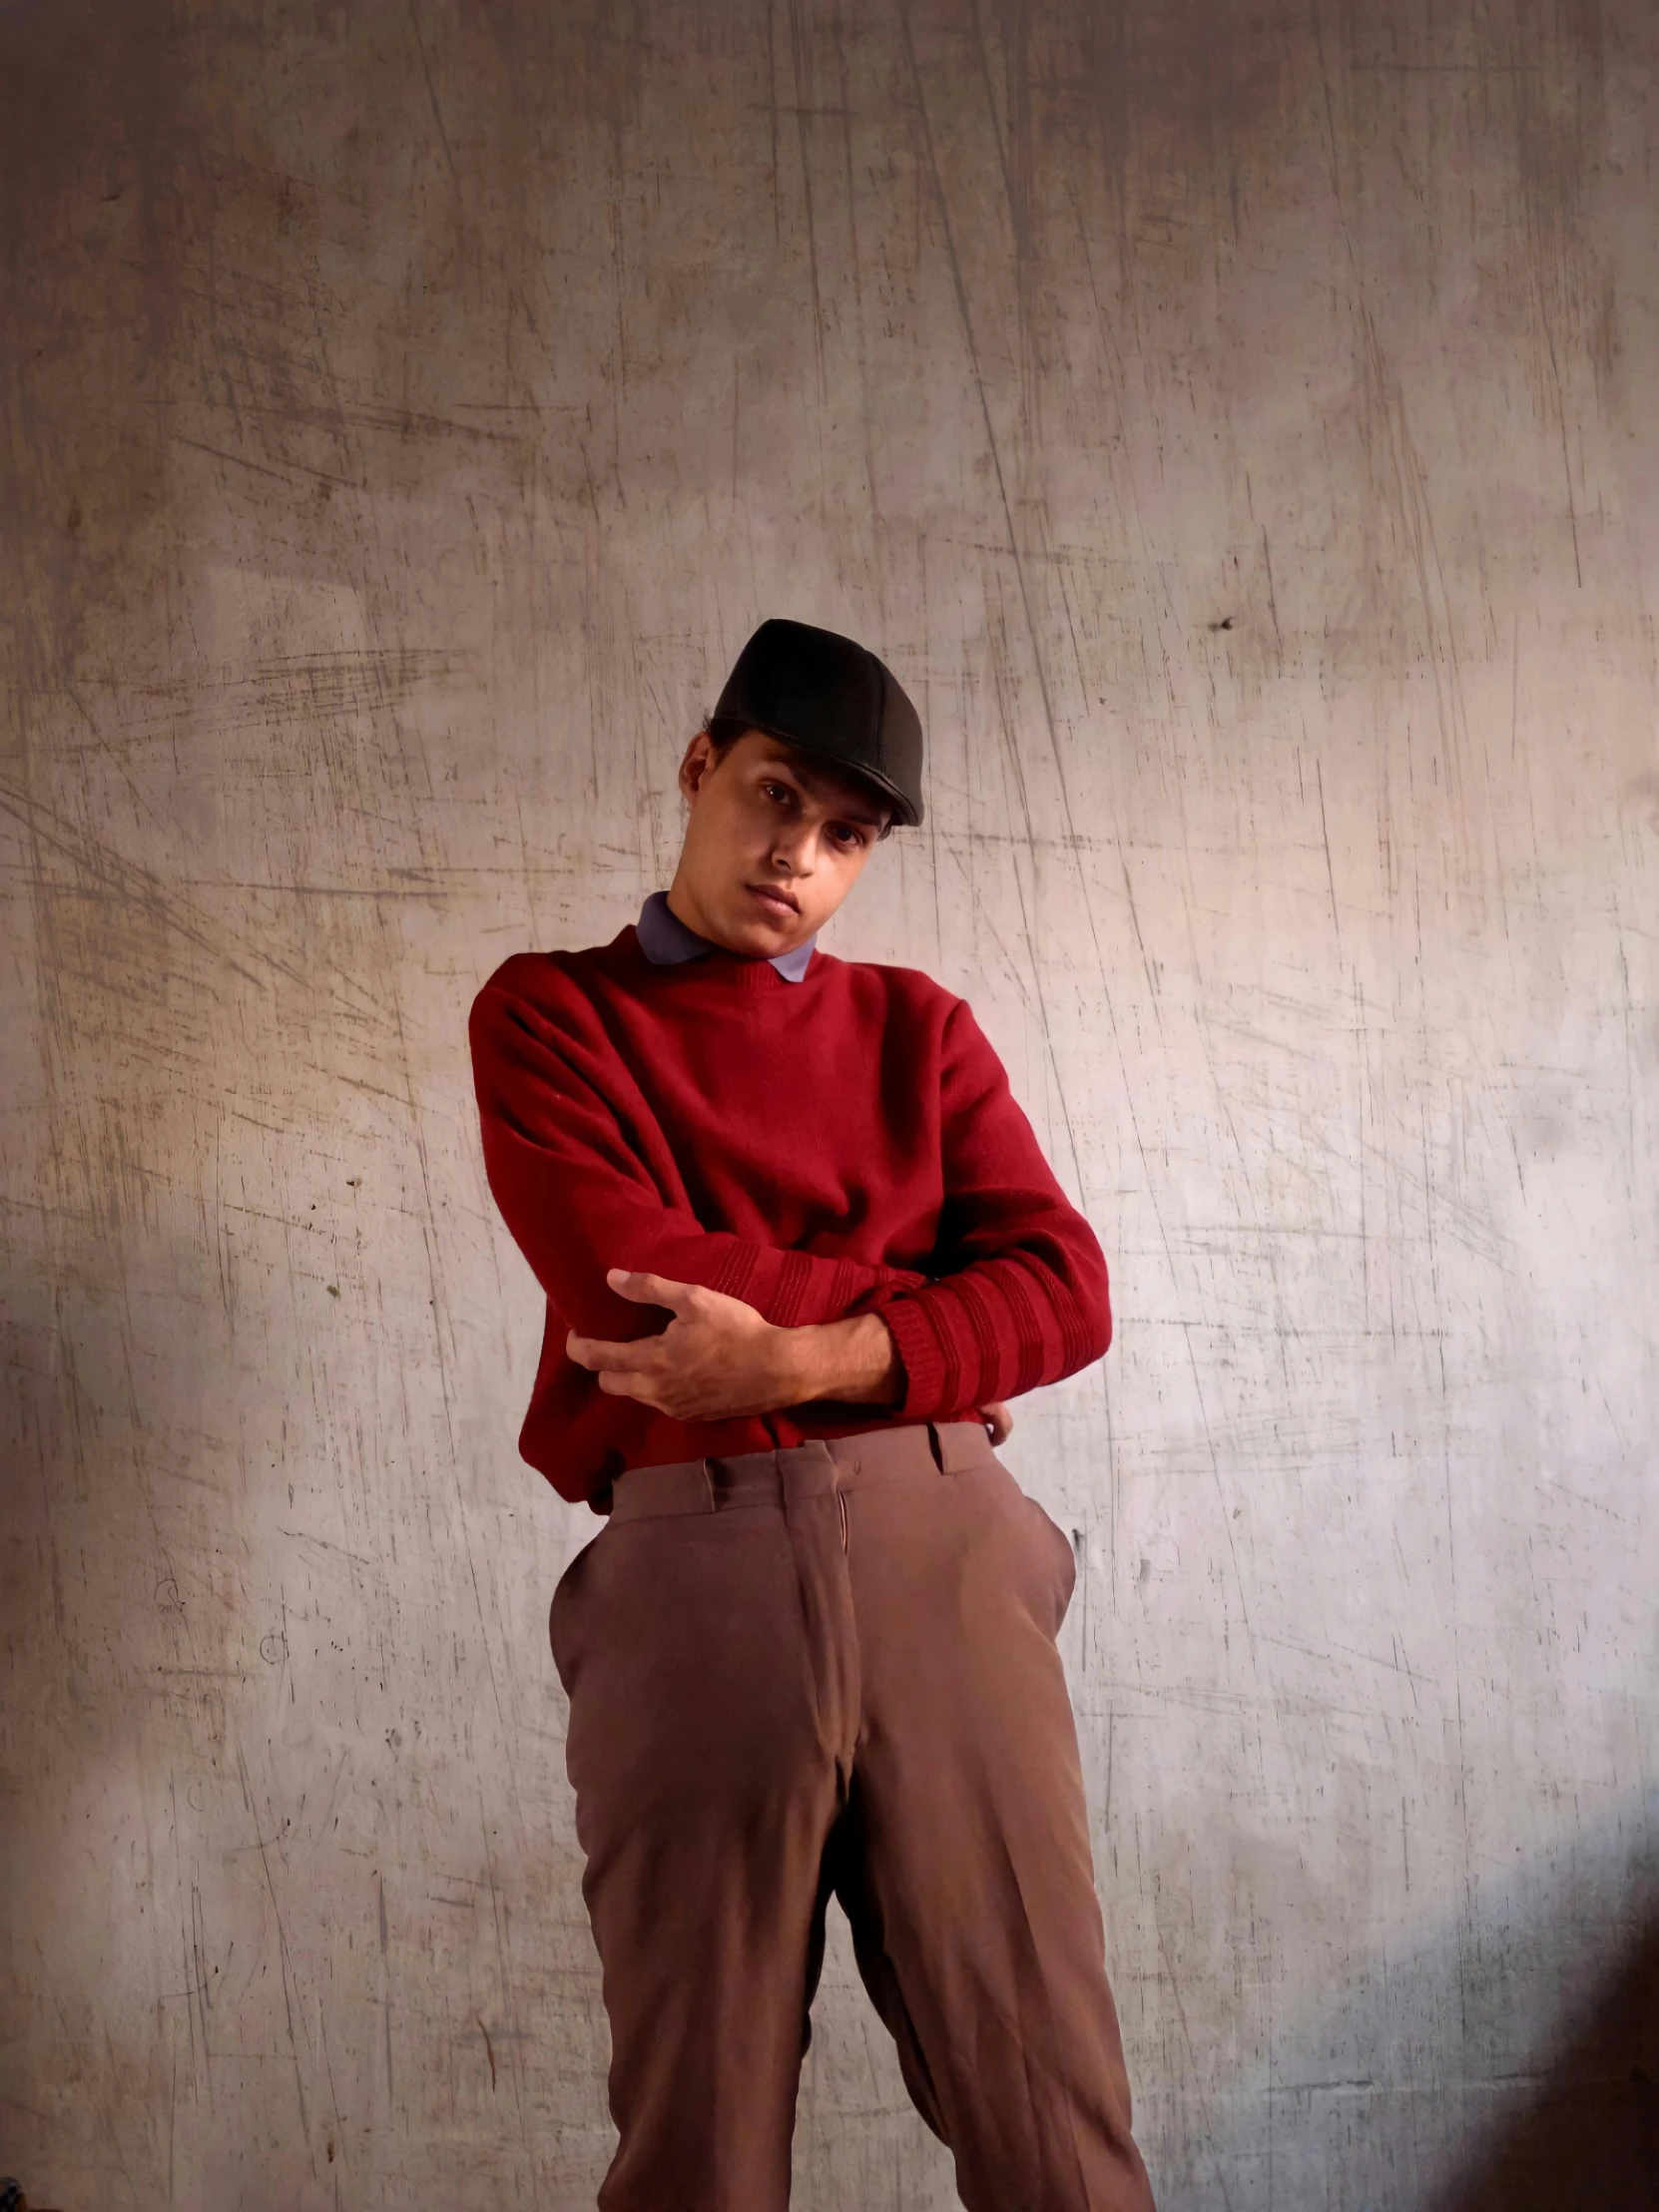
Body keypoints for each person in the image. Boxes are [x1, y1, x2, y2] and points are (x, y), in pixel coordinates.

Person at [469, 618, 1155, 2212]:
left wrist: (806, 1361)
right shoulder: (549, 1016)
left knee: (1052, 2109)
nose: (799, 854)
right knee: (695, 2135)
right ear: (701, 768)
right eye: (776, 797)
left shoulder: (919, 1029)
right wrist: (926, 1318)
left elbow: (1069, 1295)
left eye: (846, 834)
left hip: (942, 1556)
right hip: (694, 1578)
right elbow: (632, 1282)